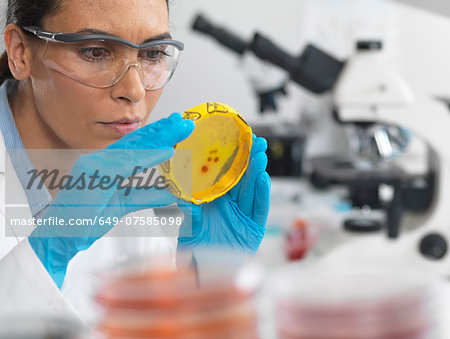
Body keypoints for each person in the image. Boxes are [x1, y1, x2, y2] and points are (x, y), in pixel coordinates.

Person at [0, 0, 270, 322]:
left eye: (152, 53)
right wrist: (43, 259)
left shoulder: (138, 186)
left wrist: (204, 295)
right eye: (96, 51)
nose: (135, 90)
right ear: (20, 52)